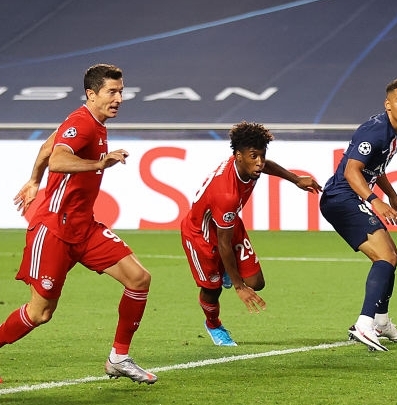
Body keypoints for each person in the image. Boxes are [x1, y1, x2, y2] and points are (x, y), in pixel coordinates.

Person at [2, 64, 157, 384]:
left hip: (84, 228)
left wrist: (33, 180)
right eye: (112, 92)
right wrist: (101, 162)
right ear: (91, 94)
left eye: (121, 91)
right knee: (40, 313)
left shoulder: (94, 123)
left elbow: (47, 148)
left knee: (139, 279)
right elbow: (58, 157)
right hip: (55, 231)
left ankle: (119, 357)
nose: (119, 98)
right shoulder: (82, 123)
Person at [180, 121, 322, 346]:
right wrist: (238, 287)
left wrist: (296, 179)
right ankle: (214, 325)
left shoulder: (246, 164)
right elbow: (223, 244)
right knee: (211, 289)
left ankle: (229, 272)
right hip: (202, 236)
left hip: (228, 223)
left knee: (256, 282)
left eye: (262, 156)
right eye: (254, 157)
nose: (259, 163)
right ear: (238, 156)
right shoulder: (227, 194)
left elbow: (266, 166)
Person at [319, 78, 397, 352]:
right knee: (385, 256)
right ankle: (364, 323)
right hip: (341, 198)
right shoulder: (375, 131)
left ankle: (382, 322)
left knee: (391, 256)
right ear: (388, 105)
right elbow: (352, 171)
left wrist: (393, 196)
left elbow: (375, 168)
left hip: (348, 197)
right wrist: (375, 200)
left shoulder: (393, 132)